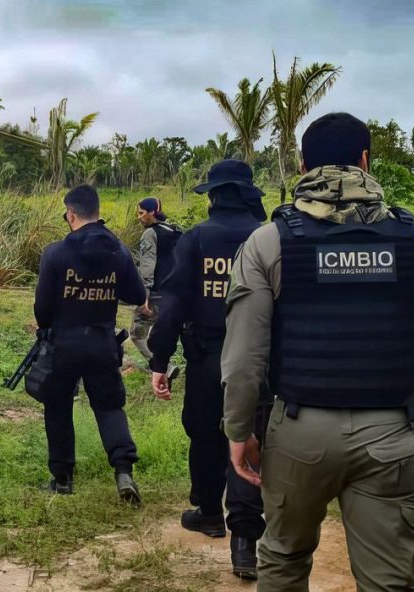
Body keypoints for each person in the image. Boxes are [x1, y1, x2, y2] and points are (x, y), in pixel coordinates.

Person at [222, 112, 414, 591]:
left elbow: (245, 358)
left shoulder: (270, 241)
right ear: (365, 161)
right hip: (390, 431)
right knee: (389, 579)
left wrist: (237, 430)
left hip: (297, 434)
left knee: (284, 560)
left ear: (300, 165)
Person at [148, 159, 267, 580]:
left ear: (214, 195)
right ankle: (247, 538)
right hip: (261, 360)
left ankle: (210, 511)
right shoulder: (268, 237)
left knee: (204, 433)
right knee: (250, 437)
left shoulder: (196, 238)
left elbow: (173, 305)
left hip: (207, 356)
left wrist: (158, 360)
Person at [33, 184, 147, 504]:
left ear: (71, 214)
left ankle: (63, 479)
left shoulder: (55, 252)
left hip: (64, 343)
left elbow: (42, 308)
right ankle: (123, 471)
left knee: (57, 407)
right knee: (109, 407)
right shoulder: (119, 251)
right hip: (102, 342)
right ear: (97, 212)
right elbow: (137, 296)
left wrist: (49, 327)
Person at [130, 197, 181, 381]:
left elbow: (147, 266)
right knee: (167, 332)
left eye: (142, 213)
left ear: (152, 212)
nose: (139, 217)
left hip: (156, 293)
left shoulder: (150, 234)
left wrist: (144, 296)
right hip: (174, 294)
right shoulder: (175, 231)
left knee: (137, 332)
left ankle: (164, 367)